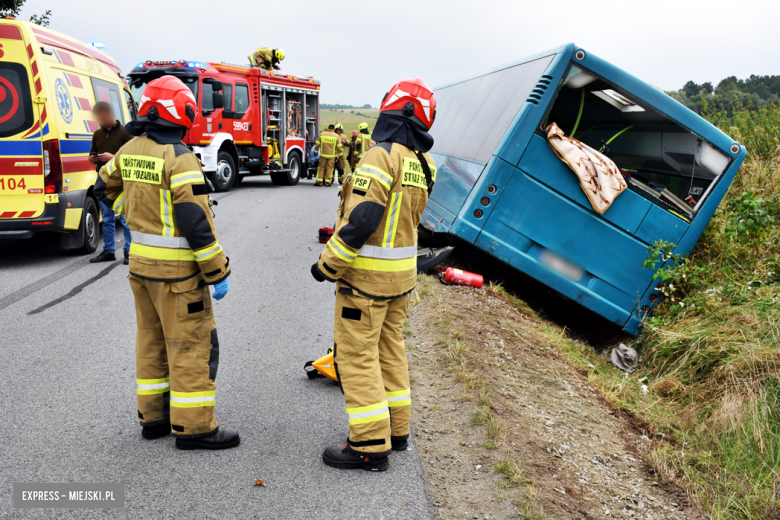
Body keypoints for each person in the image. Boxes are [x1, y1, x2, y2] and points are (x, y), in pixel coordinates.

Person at [94, 76, 239, 451]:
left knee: (152, 342)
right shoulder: (179, 156)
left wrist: (131, 214)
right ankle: (195, 429)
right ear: (181, 111)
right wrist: (217, 271)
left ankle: (153, 419)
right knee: (191, 345)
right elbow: (195, 221)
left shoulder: (129, 150)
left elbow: (102, 186)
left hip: (141, 268)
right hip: (178, 276)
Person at [310, 78, 437, 471]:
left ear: (395, 112)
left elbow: (362, 219)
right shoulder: (424, 163)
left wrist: (328, 265)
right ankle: (397, 431)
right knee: (390, 350)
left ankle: (369, 443)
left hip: (365, 282)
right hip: (401, 280)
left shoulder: (381, 156)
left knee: (357, 357)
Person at [89, 102, 133, 264]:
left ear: (109, 114)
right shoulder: (97, 134)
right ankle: (109, 251)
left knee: (126, 218)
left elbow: (133, 156)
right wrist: (93, 158)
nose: (99, 119)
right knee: (107, 219)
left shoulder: (125, 133)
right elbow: (90, 156)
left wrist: (112, 157)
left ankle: (129, 251)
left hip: (122, 181)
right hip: (104, 181)